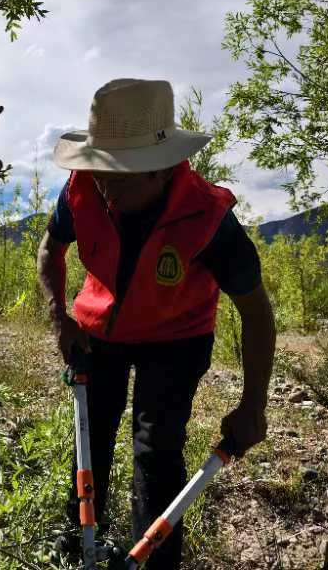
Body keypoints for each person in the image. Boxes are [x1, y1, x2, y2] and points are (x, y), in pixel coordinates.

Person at [37, 79, 276, 569]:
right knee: (92, 429)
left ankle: (153, 559)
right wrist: (59, 316)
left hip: (177, 336)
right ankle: (78, 538)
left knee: (158, 446)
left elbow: (255, 309)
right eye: (102, 170)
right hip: (97, 328)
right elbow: (49, 249)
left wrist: (254, 403)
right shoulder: (82, 190)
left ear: (164, 169)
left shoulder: (208, 217)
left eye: (121, 175)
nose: (106, 185)